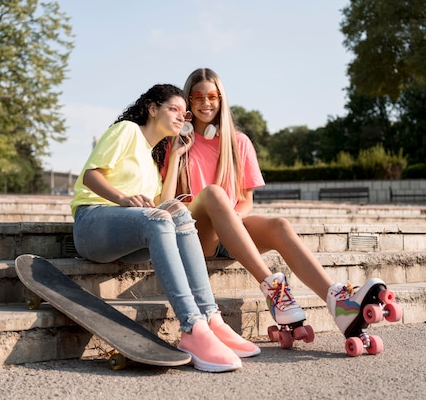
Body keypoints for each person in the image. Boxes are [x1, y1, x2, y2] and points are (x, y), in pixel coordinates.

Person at [161, 68, 395, 344]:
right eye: (197, 96)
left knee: (279, 225)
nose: (205, 103)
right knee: (213, 194)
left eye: (212, 96)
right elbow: (168, 201)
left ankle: (338, 302)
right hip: (197, 235)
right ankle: (274, 289)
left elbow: (246, 201)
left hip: (232, 230)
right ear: (188, 101)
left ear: (222, 99)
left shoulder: (239, 143)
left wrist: (231, 221)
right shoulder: (176, 143)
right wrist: (177, 152)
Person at [70, 83, 260, 373]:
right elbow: (89, 176)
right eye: (174, 109)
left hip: (132, 235)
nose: (180, 117)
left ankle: (211, 319)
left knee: (179, 212)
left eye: (184, 114)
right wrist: (123, 198)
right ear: (152, 108)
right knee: (160, 218)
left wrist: (175, 158)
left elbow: (164, 202)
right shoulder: (127, 131)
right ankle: (192, 327)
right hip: (93, 223)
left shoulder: (152, 157)